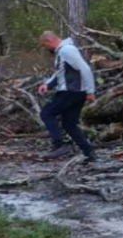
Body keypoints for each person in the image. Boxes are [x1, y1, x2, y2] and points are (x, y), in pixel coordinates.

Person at [37, 31, 98, 162]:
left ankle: (58, 145)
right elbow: (60, 72)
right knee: (69, 124)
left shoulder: (67, 50)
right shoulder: (62, 51)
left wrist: (90, 91)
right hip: (76, 92)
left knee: (46, 113)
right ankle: (89, 152)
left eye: (44, 45)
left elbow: (85, 69)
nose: (45, 48)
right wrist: (47, 85)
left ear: (49, 41)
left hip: (70, 92)